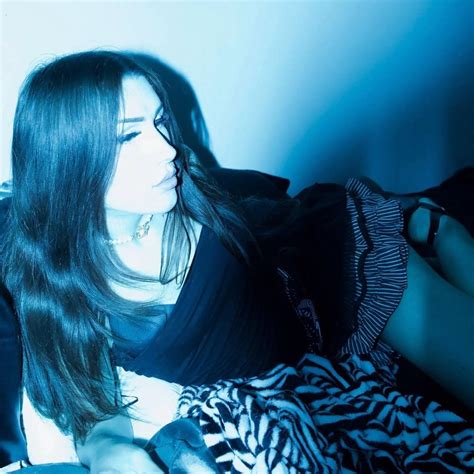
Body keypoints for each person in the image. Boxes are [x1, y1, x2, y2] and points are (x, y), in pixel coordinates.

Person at [0, 50, 472, 473]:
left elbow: (266, 219)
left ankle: (443, 232)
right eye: (128, 136)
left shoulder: (186, 187)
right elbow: (92, 404)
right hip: (301, 376)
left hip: (335, 275)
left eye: (160, 121)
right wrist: (109, 451)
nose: (167, 150)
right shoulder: (61, 279)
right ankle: (436, 231)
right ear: (68, 160)